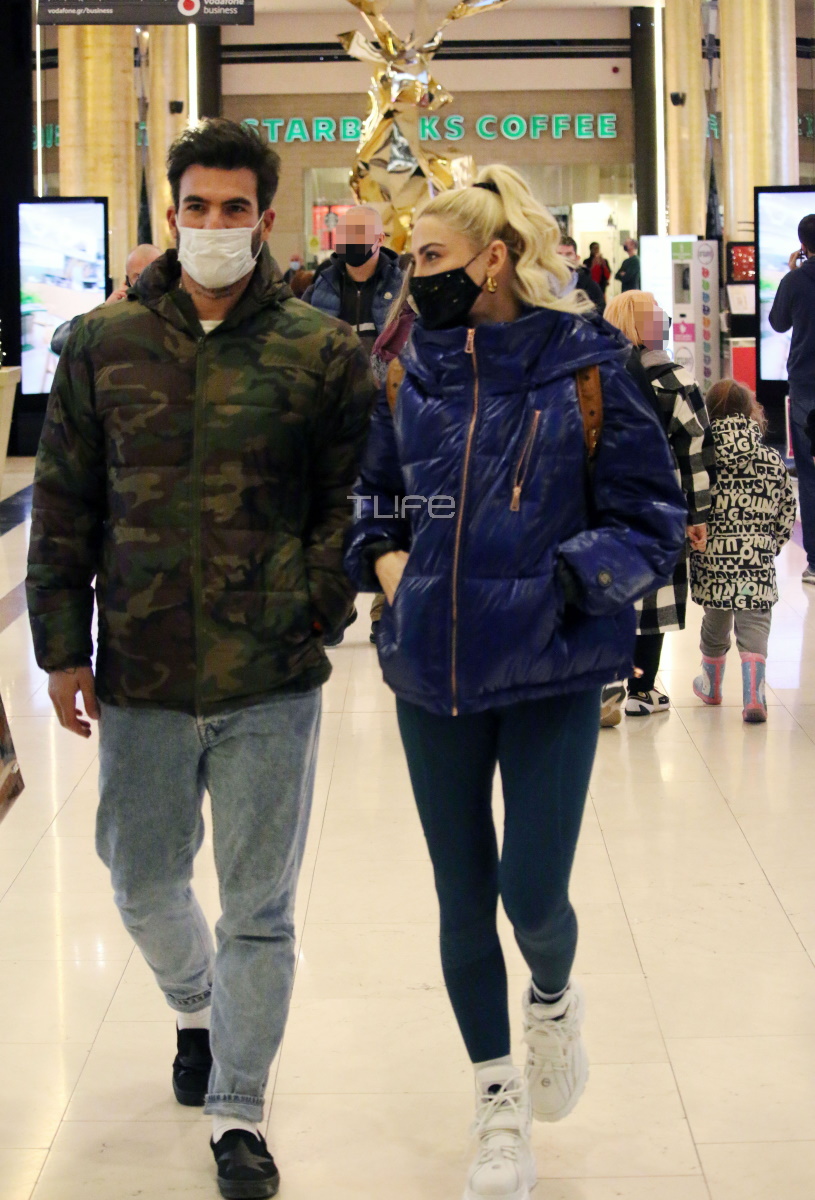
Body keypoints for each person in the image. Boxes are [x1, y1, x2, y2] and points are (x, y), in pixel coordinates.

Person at [26, 118, 375, 1200]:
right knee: (139, 877)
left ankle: (238, 1111)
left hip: (271, 677)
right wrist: (60, 648)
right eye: (196, 206)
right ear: (170, 213)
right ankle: (196, 1007)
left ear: (264, 219)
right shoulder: (103, 344)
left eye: (234, 208)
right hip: (140, 668)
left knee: (259, 909)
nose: (214, 224)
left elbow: (351, 502)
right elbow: (64, 505)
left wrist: (314, 607)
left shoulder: (322, 351)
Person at [344, 165, 686, 1200]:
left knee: (533, 894)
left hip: (547, 667)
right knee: (461, 894)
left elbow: (650, 516)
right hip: (431, 672)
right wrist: (390, 569)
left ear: (493, 259)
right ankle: (496, 1102)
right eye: (410, 259)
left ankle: (552, 999)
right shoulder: (403, 369)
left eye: (432, 257)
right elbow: (372, 496)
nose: (415, 277)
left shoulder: (585, 363)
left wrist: (562, 587)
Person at [600, 290, 715, 724]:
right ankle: (641, 690)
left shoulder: (591, 375)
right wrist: (697, 516)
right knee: (653, 596)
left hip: (603, 504)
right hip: (657, 505)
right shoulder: (676, 381)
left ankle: (606, 682)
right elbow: (694, 454)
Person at [306, 205, 404, 645]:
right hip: (335, 413)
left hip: (390, 410)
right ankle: (339, 604)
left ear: (379, 239)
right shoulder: (321, 287)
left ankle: (386, 608)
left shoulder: (402, 286)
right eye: (345, 234)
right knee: (336, 510)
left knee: (390, 508)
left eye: (360, 234)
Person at [690, 379, 795, 722]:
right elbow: (786, 510)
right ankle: (754, 695)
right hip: (756, 561)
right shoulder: (771, 459)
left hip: (713, 560)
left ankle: (711, 686)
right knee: (755, 623)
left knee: (715, 619)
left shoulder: (701, 459)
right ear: (751, 411)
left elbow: (692, 506)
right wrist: (769, 545)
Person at [769, 213, 815, 584]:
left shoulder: (794, 280)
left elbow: (778, 323)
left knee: (810, 477)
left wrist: (792, 272)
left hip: (806, 386)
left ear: (802, 245)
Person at [49, 243, 162, 356]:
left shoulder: (170, 311)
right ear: (127, 282)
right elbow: (58, 341)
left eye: (155, 274)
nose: (149, 282)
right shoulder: (114, 315)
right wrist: (103, 311)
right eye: (139, 277)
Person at [557, 236, 605, 311]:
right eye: (559, 254)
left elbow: (600, 314)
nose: (564, 259)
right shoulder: (544, 287)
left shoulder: (591, 288)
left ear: (577, 258)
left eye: (568, 254)